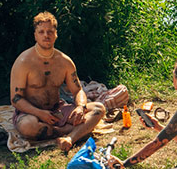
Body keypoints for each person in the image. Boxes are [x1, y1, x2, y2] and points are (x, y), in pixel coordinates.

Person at [9, 12, 105, 153]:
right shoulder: (24, 62)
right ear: (35, 35)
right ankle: (68, 130)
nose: (46, 35)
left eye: (50, 32)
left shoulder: (64, 61)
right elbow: (16, 99)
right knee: (28, 127)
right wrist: (40, 114)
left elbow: (78, 90)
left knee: (98, 109)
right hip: (31, 113)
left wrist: (80, 107)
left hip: (57, 111)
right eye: (41, 32)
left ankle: (69, 138)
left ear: (56, 34)